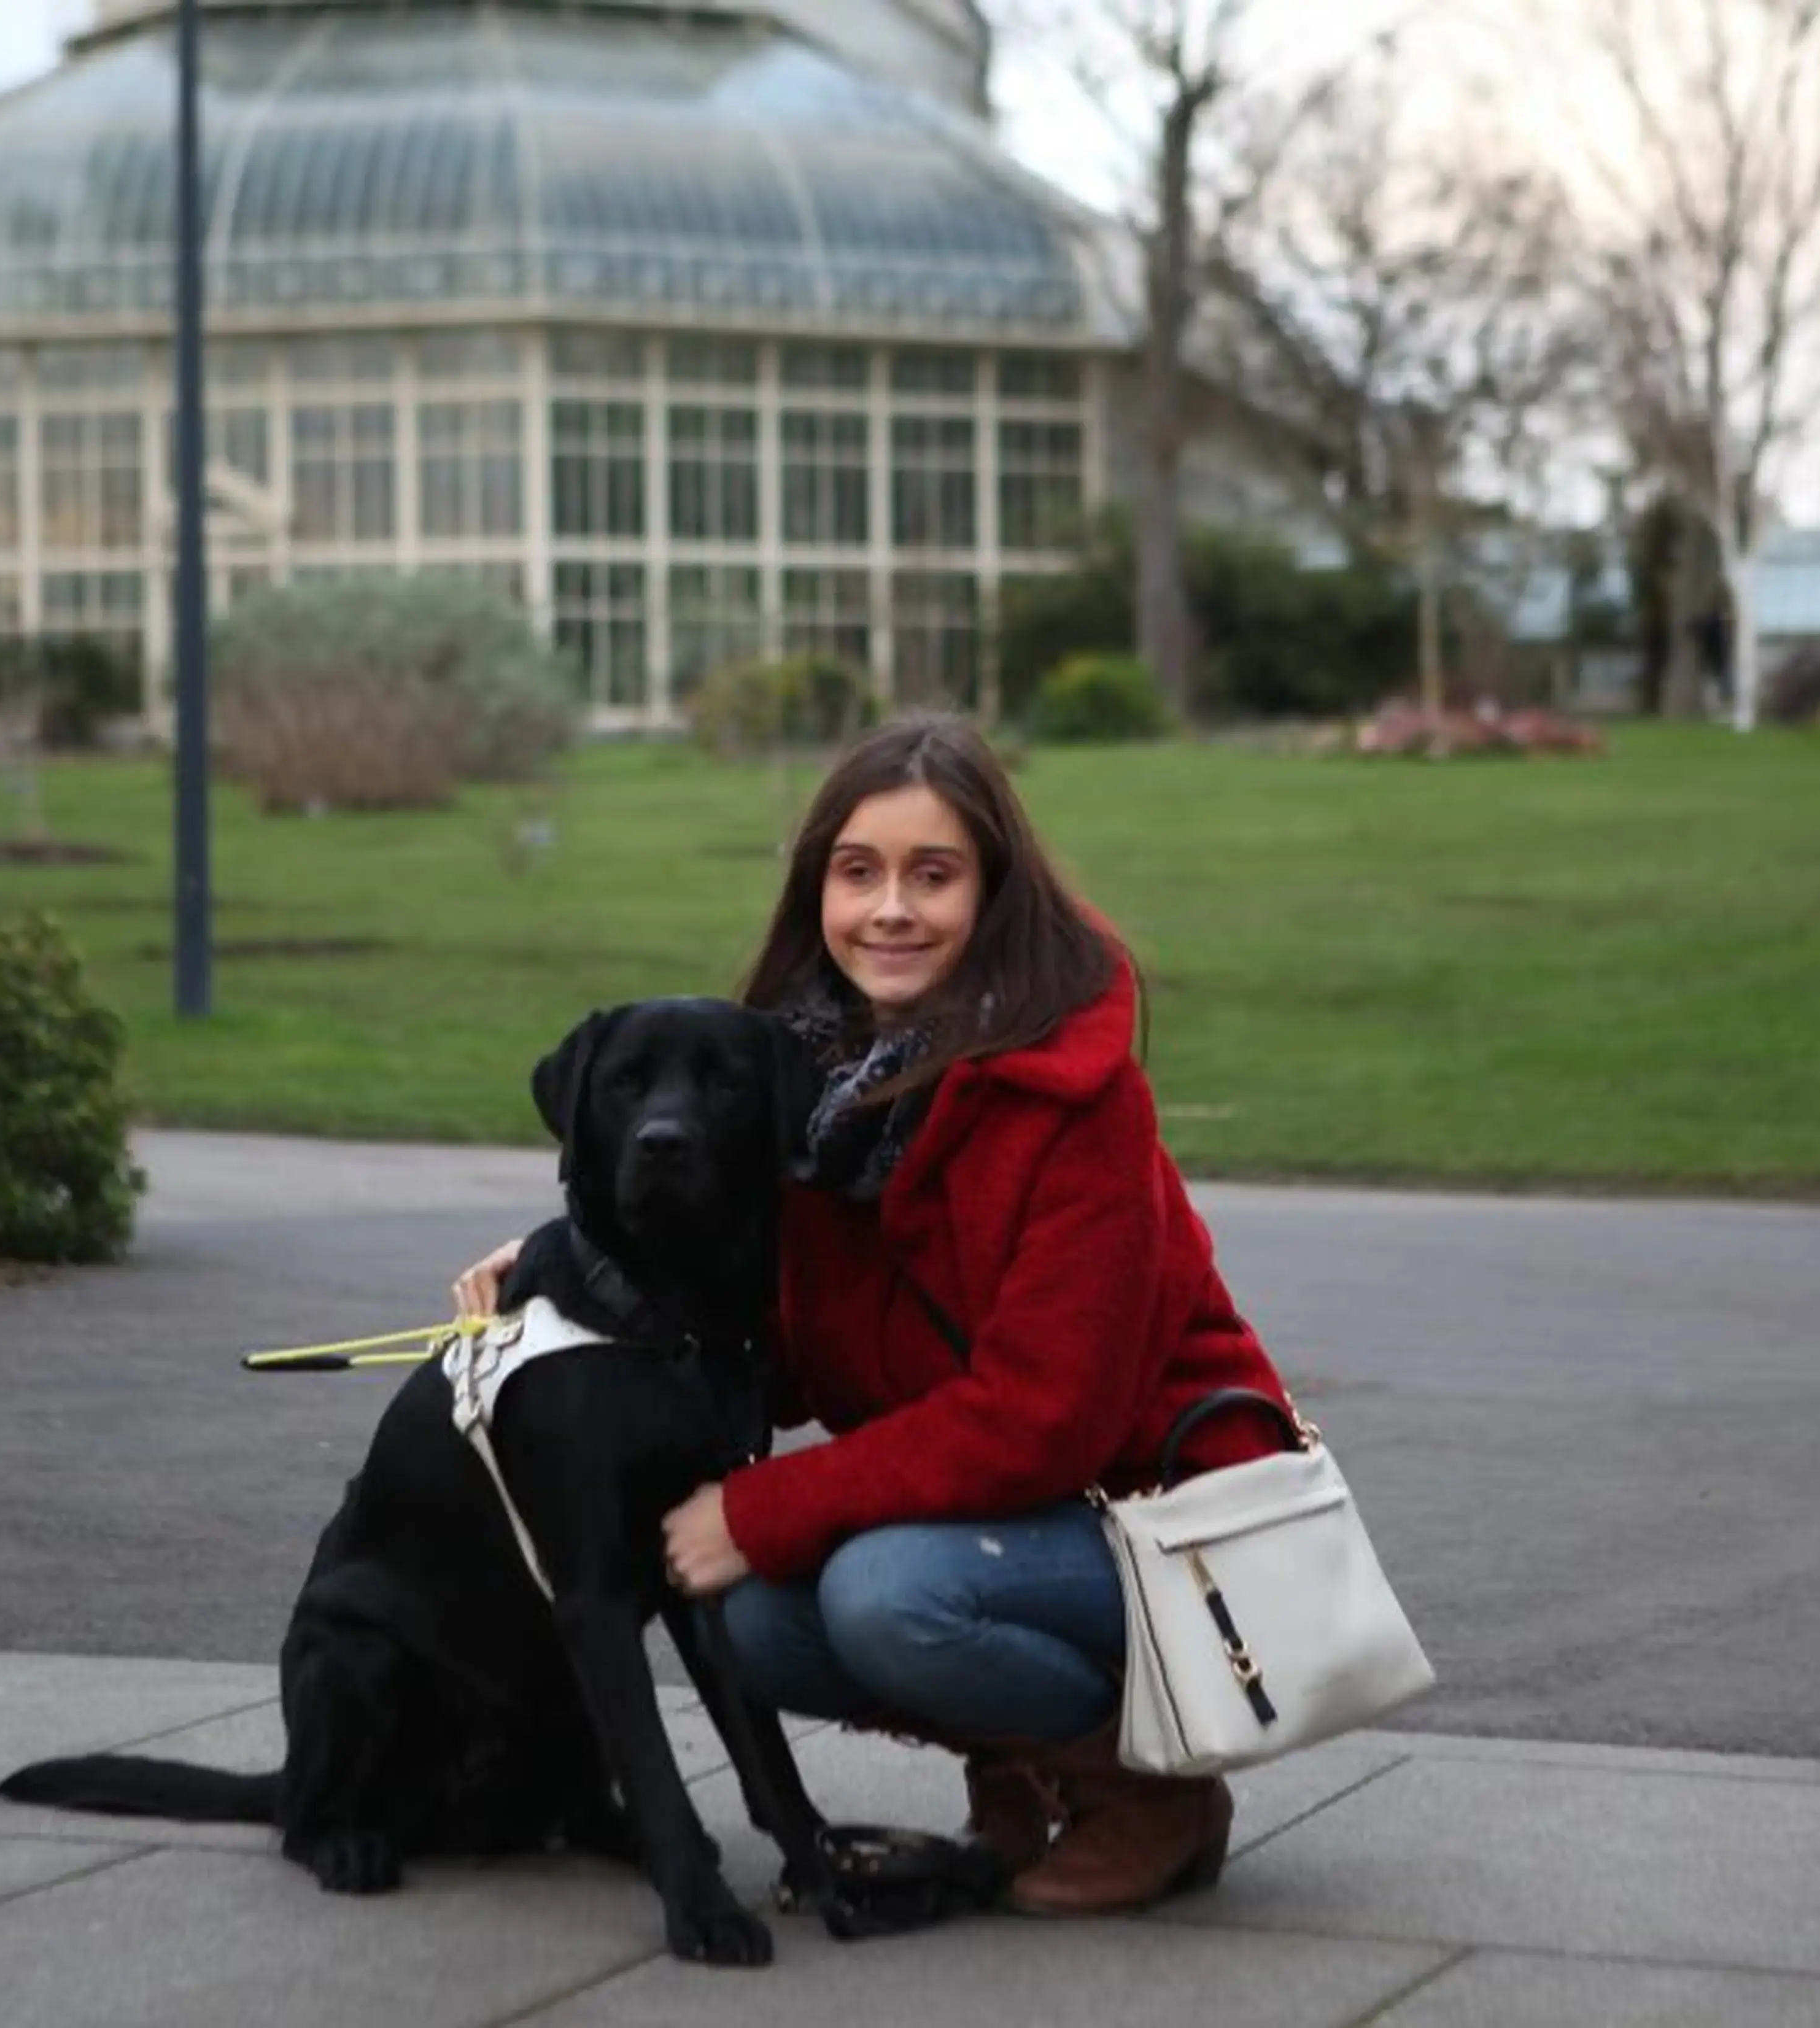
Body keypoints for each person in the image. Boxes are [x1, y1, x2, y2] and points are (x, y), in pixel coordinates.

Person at [454, 713, 1294, 1918]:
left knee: (885, 1595)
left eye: (932, 874)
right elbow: (777, 1338)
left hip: (1168, 1512)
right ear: (819, 892)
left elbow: (1044, 1416)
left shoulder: (1071, 1096)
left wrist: (763, 1503)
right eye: (860, 872)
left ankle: (1150, 1789)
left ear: (993, 894)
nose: (890, 908)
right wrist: (567, 1276)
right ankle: (1016, 1759)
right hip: (1002, 1511)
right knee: (740, 1612)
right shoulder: (813, 1089)